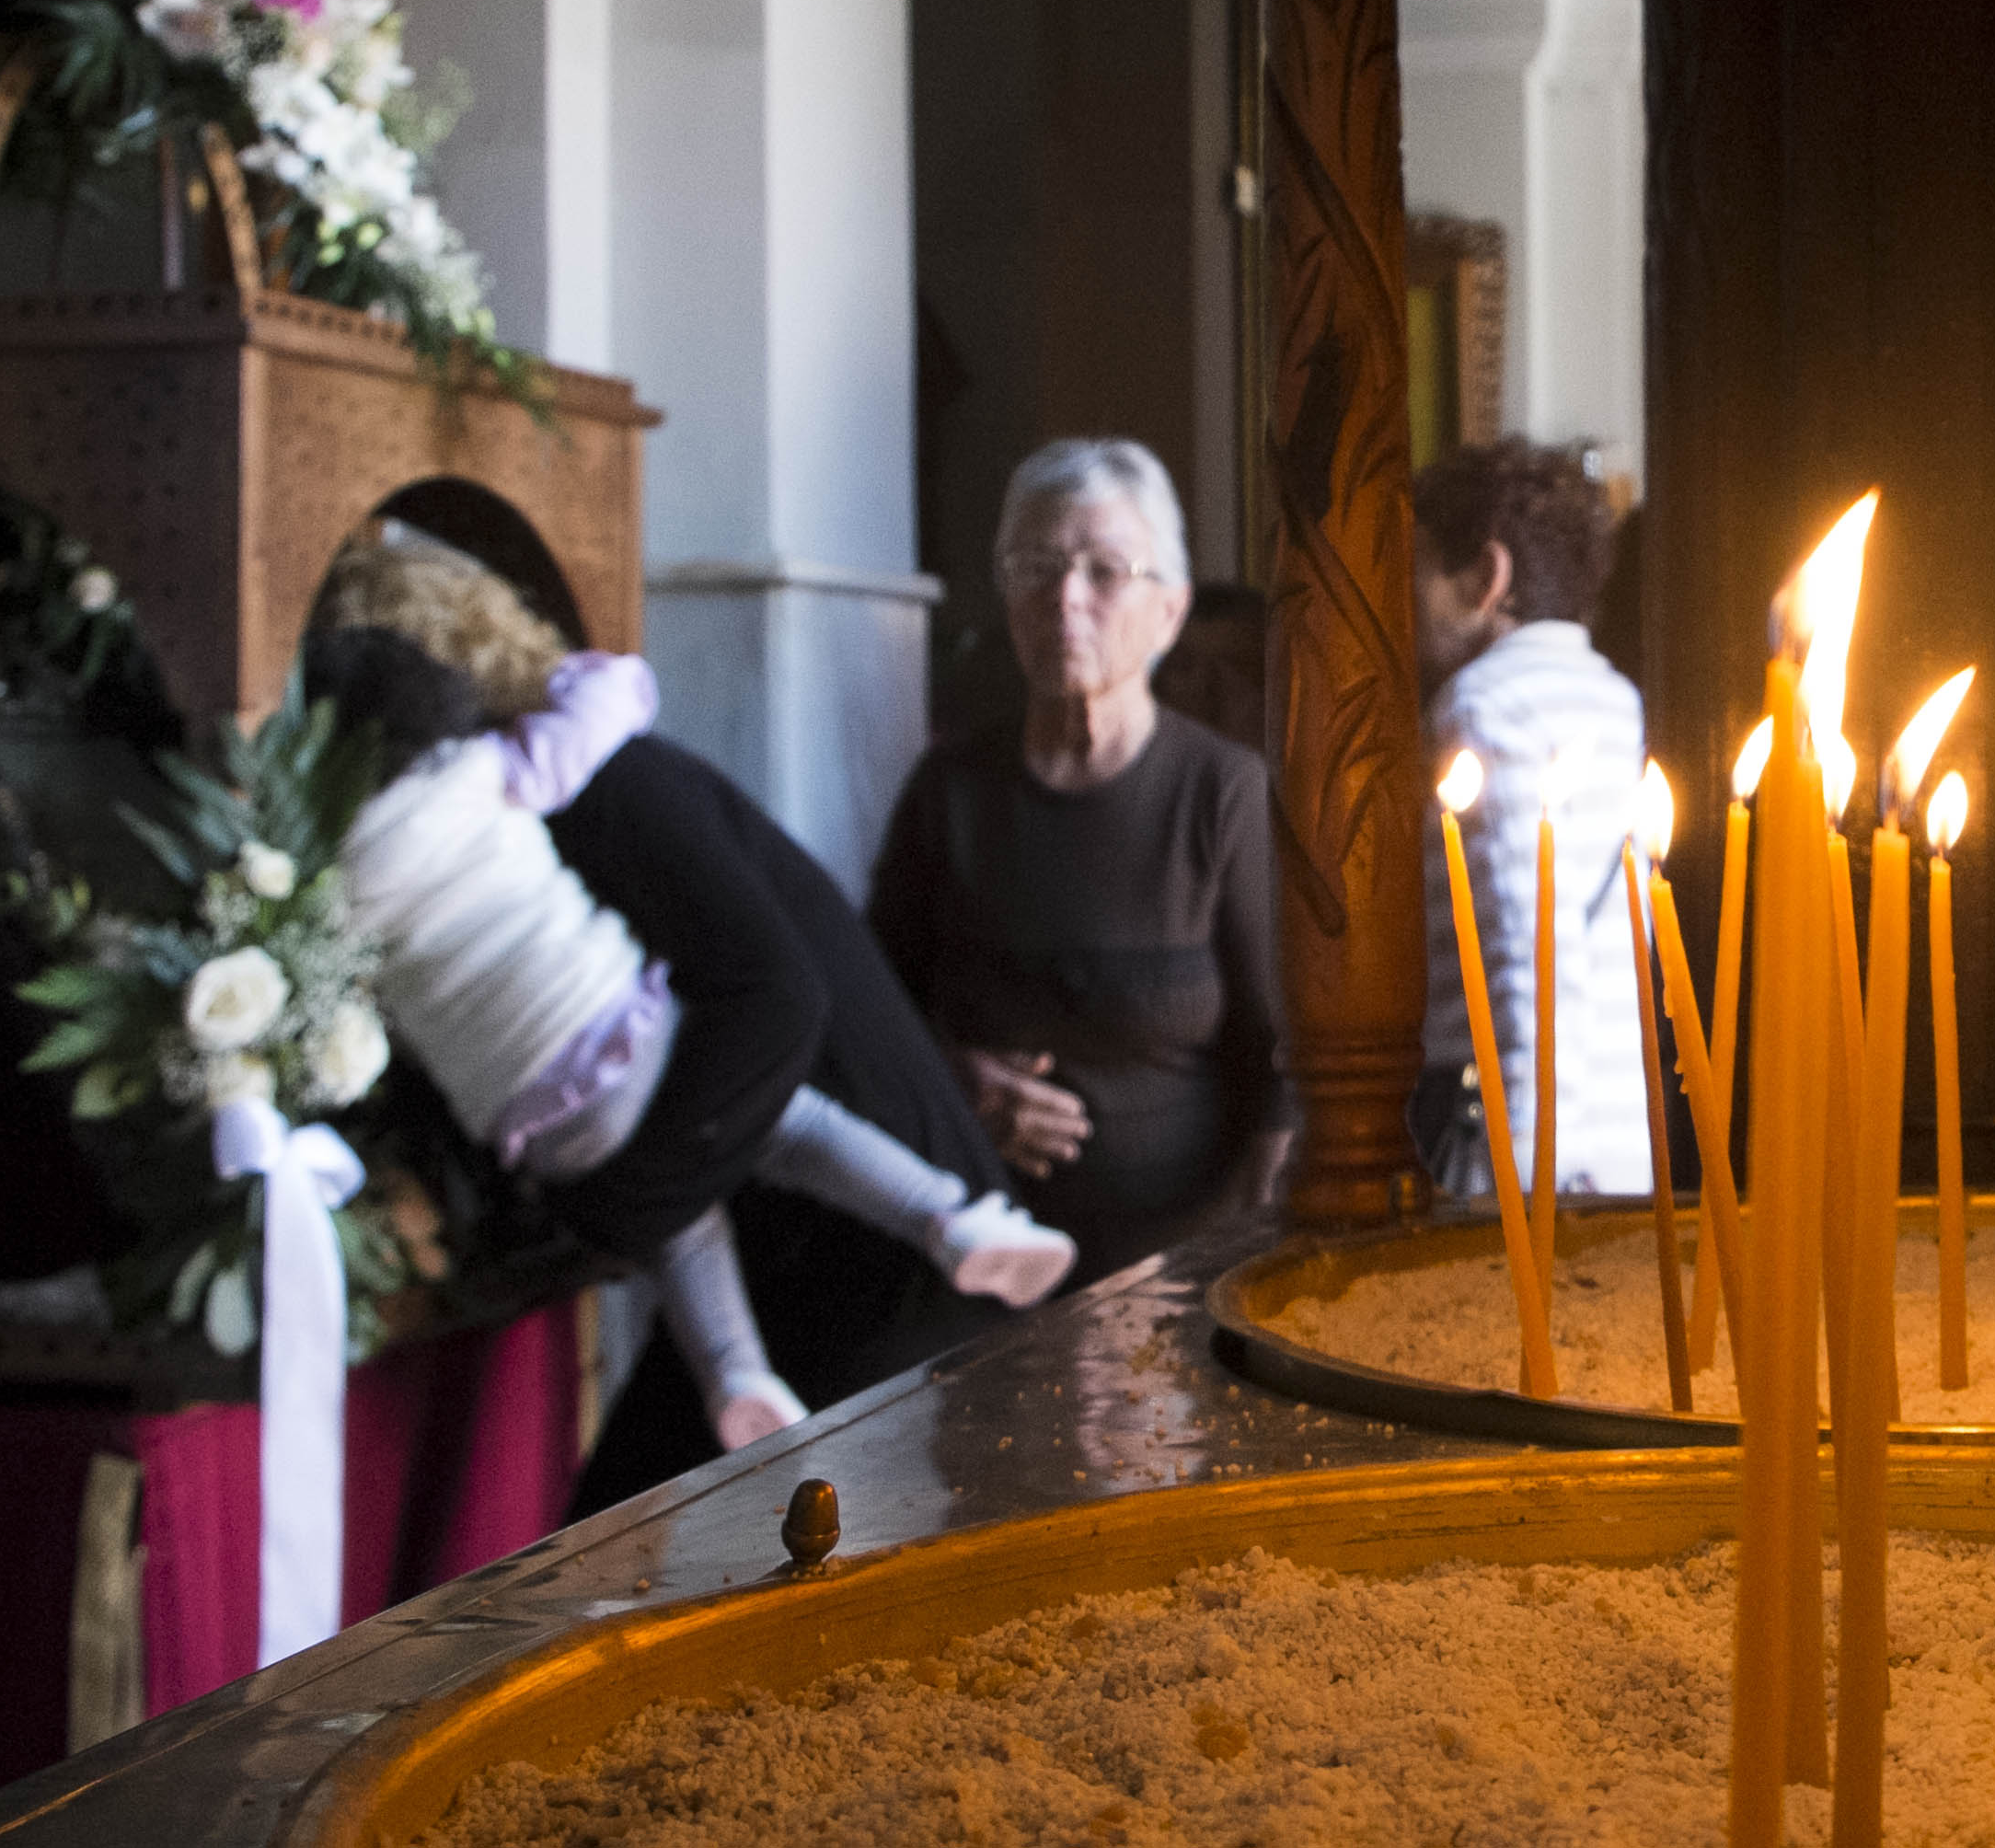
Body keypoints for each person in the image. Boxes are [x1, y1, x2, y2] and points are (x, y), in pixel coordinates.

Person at [306, 608, 1073, 1457]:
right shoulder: (481, 774)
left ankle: (737, 1376)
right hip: (621, 1036)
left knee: (685, 1230)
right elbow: (612, 701)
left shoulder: (334, 880)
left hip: (528, 1116)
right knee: (798, 1128)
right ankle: (948, 1219)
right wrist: (579, 675)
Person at [871, 439, 1289, 1289]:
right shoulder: (950, 790)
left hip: (1180, 1269)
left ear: (1168, 611)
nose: (1065, 597)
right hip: (982, 1259)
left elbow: (1282, 1055)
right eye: (1036, 567)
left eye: (1105, 571)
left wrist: (1248, 1262)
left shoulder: (1220, 790)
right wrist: (959, 1080)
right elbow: (872, 1013)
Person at [1408, 437, 1649, 1200]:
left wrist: (1522, 1177)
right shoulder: (1612, 698)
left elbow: (1526, 954)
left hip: (1523, 1152)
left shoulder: (1486, 706)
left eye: (1412, 569)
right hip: (1615, 1137)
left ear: (1485, 578)